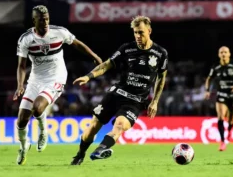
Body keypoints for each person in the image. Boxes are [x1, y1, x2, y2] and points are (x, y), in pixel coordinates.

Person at [70, 15, 168, 165]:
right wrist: (89, 76)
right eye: (135, 32)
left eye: (141, 32)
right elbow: (107, 65)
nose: (137, 36)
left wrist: (154, 101)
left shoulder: (161, 53)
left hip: (135, 101)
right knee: (93, 127)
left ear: (149, 30)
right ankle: (80, 154)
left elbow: (161, 78)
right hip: (116, 94)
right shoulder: (126, 48)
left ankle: (100, 150)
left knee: (120, 126)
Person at [13, 5, 102, 165]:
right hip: (35, 79)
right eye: (41, 19)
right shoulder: (26, 39)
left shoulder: (59, 32)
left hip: (56, 77)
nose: (45, 22)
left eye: (47, 18)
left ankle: (43, 132)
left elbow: (77, 44)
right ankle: (24, 145)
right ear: (34, 20)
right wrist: (20, 85)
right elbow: (21, 65)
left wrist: (93, 55)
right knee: (21, 120)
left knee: (38, 107)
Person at [204, 46, 233, 151]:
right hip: (221, 94)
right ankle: (222, 141)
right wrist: (207, 90)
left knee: (231, 120)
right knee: (220, 117)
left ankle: (229, 129)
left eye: (225, 52)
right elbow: (209, 78)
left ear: (229, 54)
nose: (223, 54)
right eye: (221, 52)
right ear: (218, 54)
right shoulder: (215, 66)